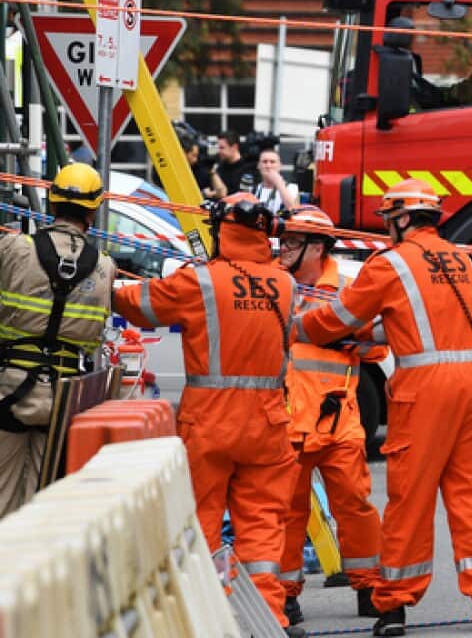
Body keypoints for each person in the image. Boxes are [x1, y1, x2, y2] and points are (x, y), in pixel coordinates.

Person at [294, 179, 472, 635]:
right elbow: (425, 324)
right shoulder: (461, 259)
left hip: (426, 391)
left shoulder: (391, 263)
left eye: (389, 219)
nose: (388, 227)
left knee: (409, 500)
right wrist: (371, 336)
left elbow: (341, 318)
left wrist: (297, 328)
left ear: (402, 219)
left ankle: (393, 606)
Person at [113, 193, 306, 637]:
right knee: (263, 528)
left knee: (201, 525)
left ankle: (212, 619)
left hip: (210, 425)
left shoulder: (199, 281)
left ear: (221, 229)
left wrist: (105, 282)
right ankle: (268, 620)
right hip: (269, 425)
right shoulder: (286, 284)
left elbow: (137, 304)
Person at [276, 205, 384, 627]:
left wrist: (354, 342)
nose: (283, 248)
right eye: (283, 240)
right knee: (286, 513)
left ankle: (370, 586)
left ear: (317, 247)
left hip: (339, 421)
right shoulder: (273, 283)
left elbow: (379, 345)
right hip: (286, 424)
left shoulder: (346, 287)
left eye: (293, 242)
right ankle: (284, 596)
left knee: (355, 508)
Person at [0, 163, 115, 518]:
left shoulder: (16, 249)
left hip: (10, 390)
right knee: (43, 506)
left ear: (52, 204)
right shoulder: (104, 267)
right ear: (94, 210)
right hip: (65, 399)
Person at [179, 127, 227, 200]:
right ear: (183, 153)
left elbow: (222, 193)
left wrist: (212, 172)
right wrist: (201, 194)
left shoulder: (199, 168)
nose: (196, 159)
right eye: (193, 155)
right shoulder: (174, 169)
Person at [252, 150, 299, 214]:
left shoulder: (292, 187)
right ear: (258, 166)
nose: (268, 166)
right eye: (264, 162)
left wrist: (279, 182)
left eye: (272, 162)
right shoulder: (253, 190)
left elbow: (294, 210)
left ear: (280, 166)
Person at [216, 131, 256, 196]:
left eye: (222, 148)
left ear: (234, 147)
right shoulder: (220, 168)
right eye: (218, 148)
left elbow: (244, 195)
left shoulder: (247, 170)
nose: (219, 151)